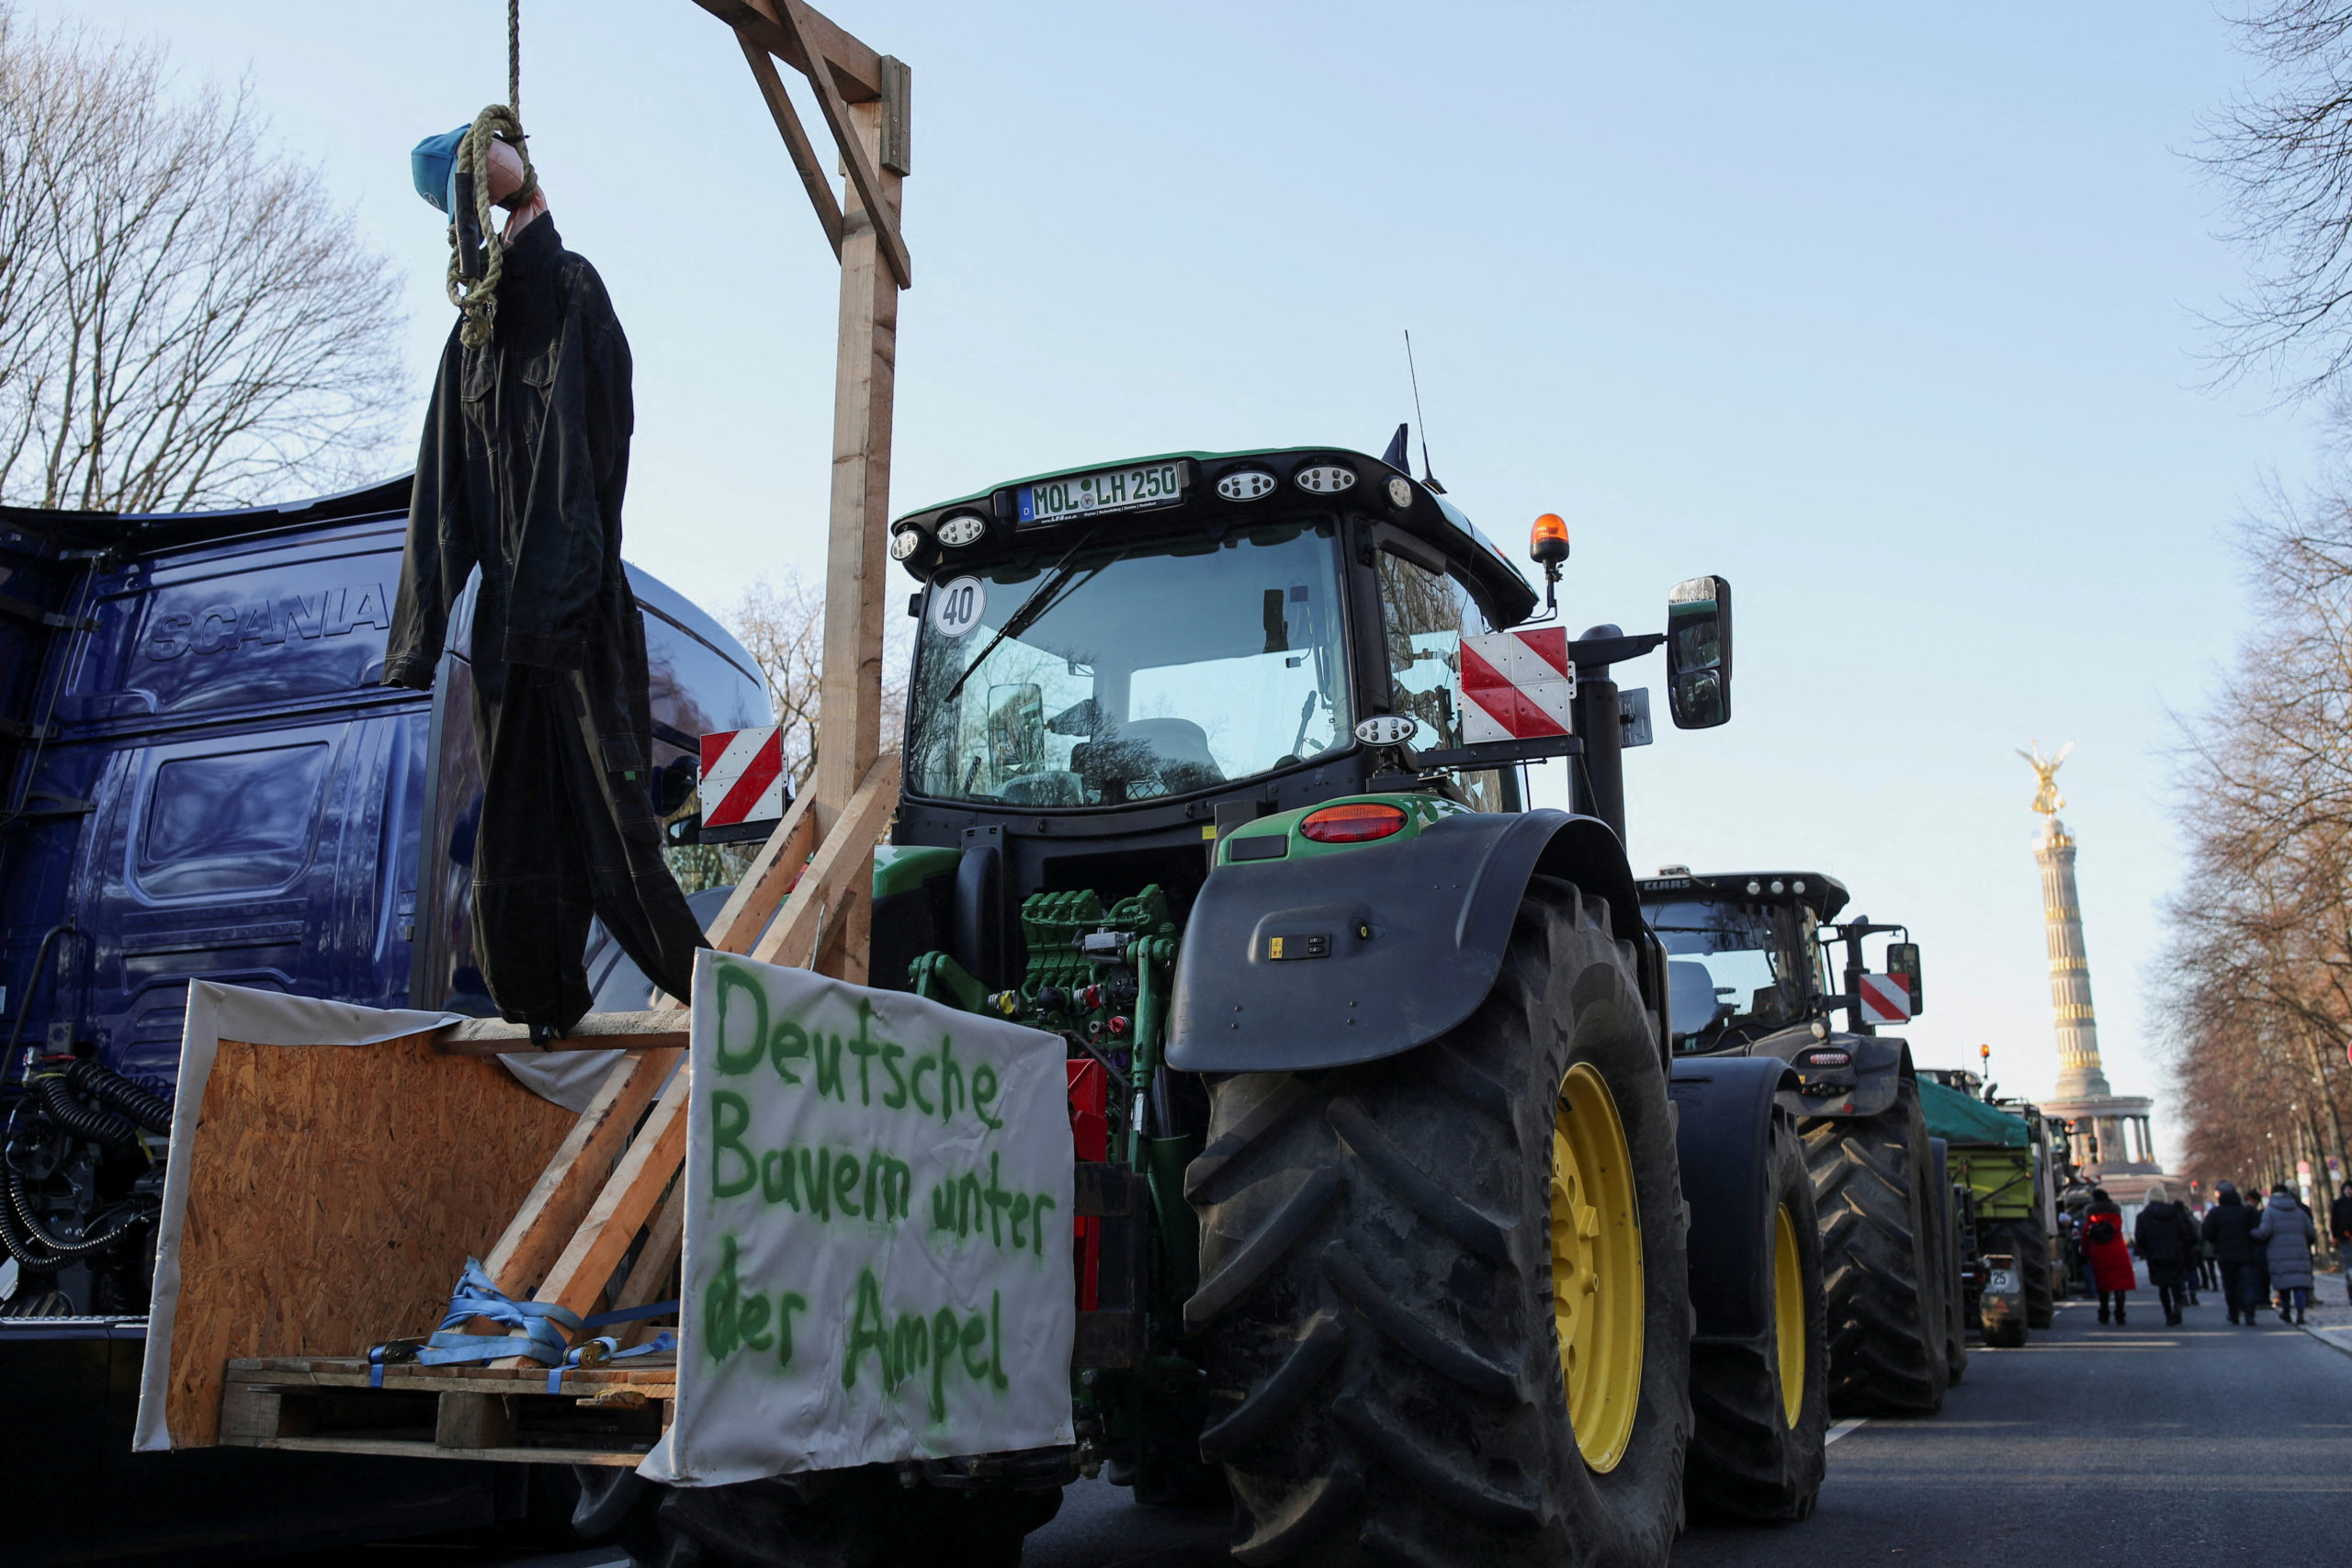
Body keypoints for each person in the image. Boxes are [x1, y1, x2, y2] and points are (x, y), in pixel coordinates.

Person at [2253, 1181, 2319, 1325]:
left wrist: (2252, 1233)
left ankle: (2286, 1311)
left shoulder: (2269, 1213)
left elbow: (2264, 1233)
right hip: (2299, 1254)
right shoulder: (2299, 1212)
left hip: (2278, 1255)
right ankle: (2300, 1313)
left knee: (2284, 1285)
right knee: (2299, 1284)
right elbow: (2311, 1233)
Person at [2133, 1183, 2199, 1326]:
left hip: (2155, 1255)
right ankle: (2178, 1304)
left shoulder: (2143, 1216)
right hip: (2174, 1253)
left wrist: (2147, 1248)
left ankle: (2168, 1314)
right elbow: (2183, 1232)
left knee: (2162, 1287)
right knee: (2175, 1283)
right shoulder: (2174, 1213)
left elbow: (2139, 1238)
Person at [2205, 1182, 2264, 1325]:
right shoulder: (2248, 1212)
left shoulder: (2215, 1213)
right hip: (2246, 1254)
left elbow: (2207, 1232)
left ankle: (2234, 1313)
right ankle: (2250, 1314)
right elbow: (2257, 1230)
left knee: (2230, 1286)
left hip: (2225, 1255)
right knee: (2247, 1284)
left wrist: (2217, 1241)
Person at [2080, 1187, 2137, 1324]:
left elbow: (2086, 1237)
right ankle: (2120, 1313)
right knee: (2120, 1285)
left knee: (2103, 1285)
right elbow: (2118, 1229)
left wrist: (2086, 1254)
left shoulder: (2091, 1217)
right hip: (2118, 1251)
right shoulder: (2116, 1215)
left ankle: (2104, 1311)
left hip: (2099, 1253)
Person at [2332, 1183, 2352, 1304]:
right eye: (2348, 1189)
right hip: (2345, 1239)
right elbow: (2334, 1221)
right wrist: (2336, 1236)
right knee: (2349, 1269)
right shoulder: (2338, 1204)